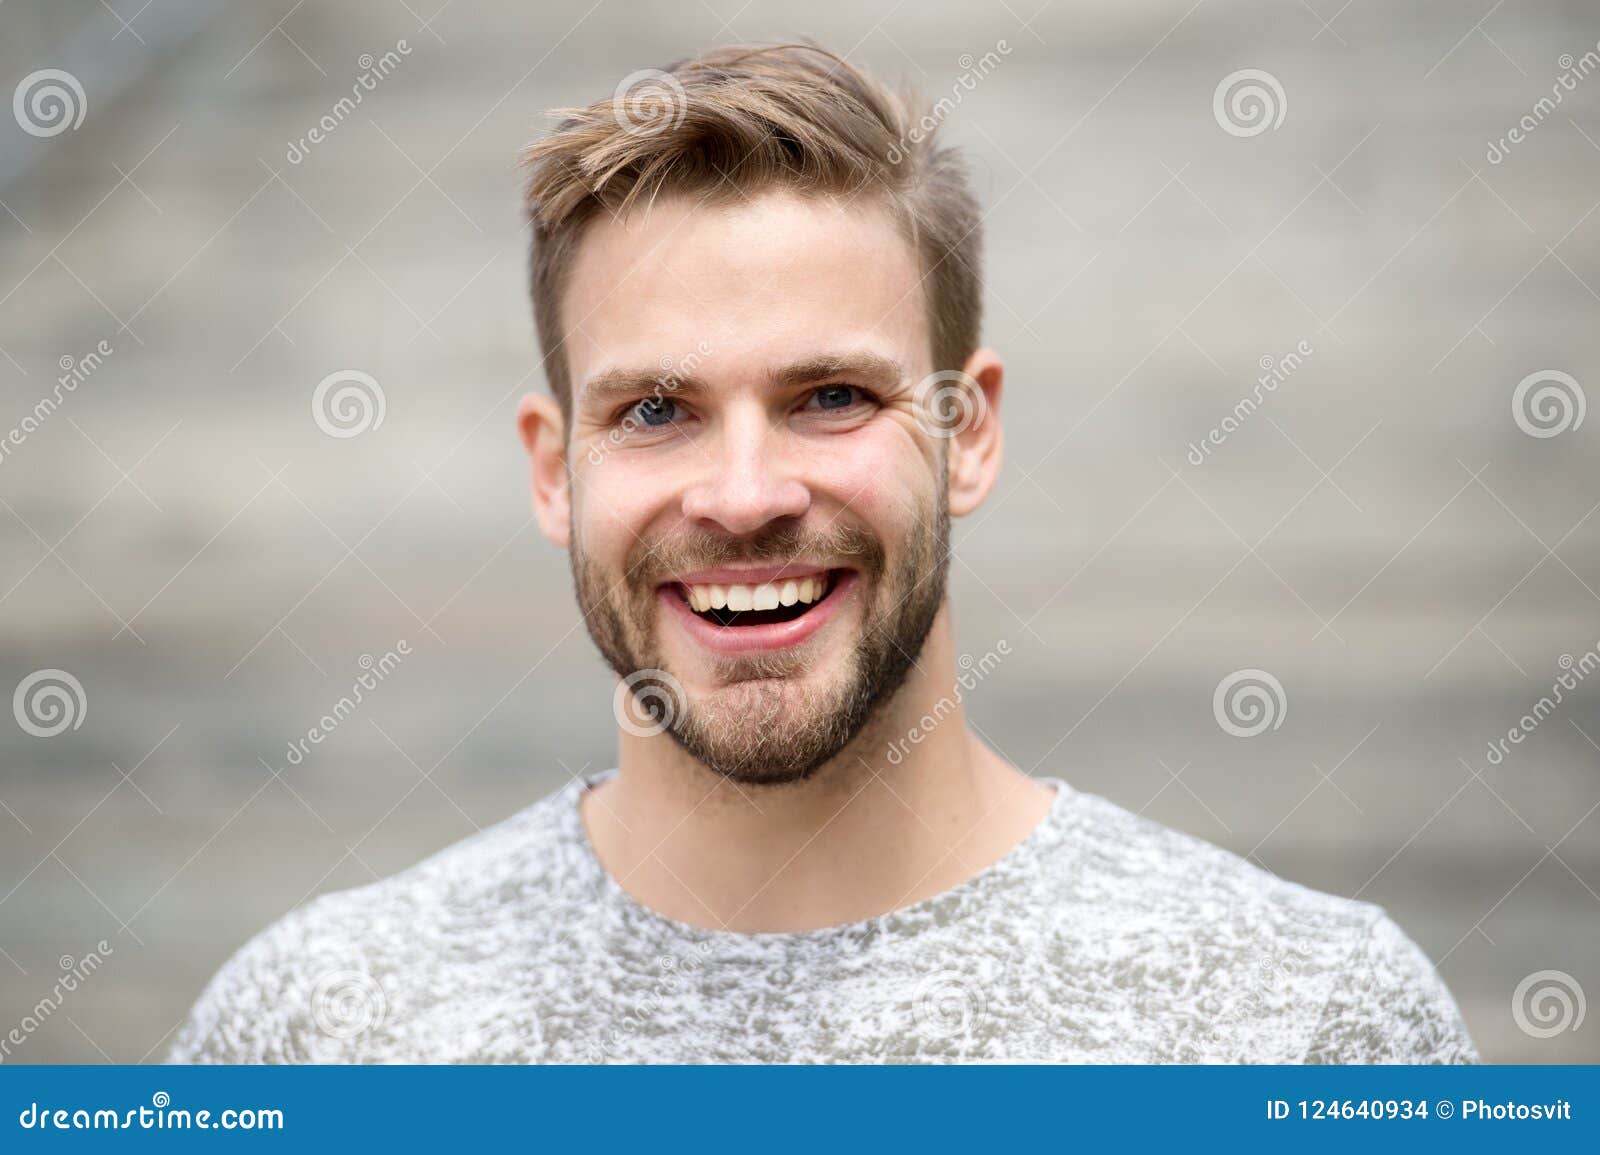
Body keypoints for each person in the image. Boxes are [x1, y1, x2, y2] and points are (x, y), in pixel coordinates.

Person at [169, 42, 1477, 1064]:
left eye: (834, 397)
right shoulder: (320, 1031)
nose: (744, 496)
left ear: (968, 434)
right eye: (658, 411)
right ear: (555, 471)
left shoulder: (1306, 1020)